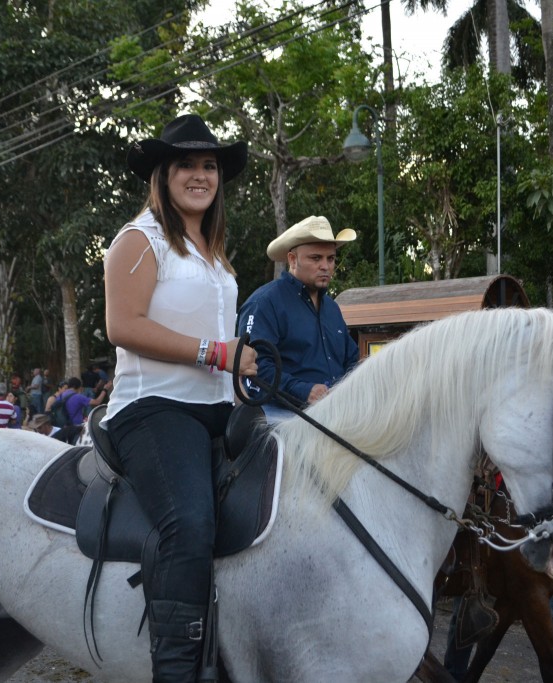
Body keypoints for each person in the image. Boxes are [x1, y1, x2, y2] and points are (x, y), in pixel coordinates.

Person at [101, 113, 257, 682]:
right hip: (154, 410)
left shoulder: (211, 252)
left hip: (220, 408)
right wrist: (217, 353)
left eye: (209, 166)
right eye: (187, 164)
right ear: (163, 175)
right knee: (190, 525)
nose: (200, 175)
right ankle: (176, 666)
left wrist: (240, 358)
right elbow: (123, 326)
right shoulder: (139, 240)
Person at [237, 215, 359, 421]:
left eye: (330, 258)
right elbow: (254, 369)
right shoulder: (265, 302)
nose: (326, 266)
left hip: (337, 415)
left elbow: (351, 361)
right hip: (280, 418)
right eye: (316, 258)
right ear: (292, 259)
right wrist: (304, 391)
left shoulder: (332, 309)